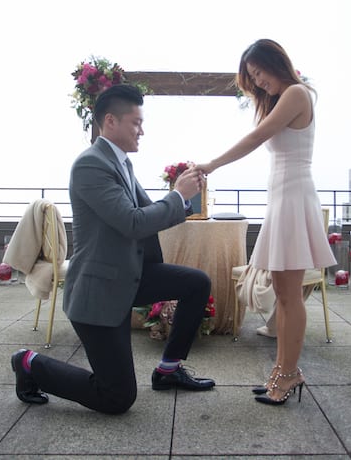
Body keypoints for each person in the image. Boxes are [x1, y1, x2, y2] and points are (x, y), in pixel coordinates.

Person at [11, 84, 215, 414]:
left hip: (128, 276)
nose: (142, 131)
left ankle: (168, 370)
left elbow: (150, 213)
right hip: (99, 291)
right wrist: (177, 196)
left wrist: (187, 195)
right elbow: (132, 223)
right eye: (136, 122)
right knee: (118, 397)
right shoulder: (90, 165)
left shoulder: (121, 163)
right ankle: (29, 363)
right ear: (110, 121)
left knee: (197, 283)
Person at [196, 39, 335, 406]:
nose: (258, 83)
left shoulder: (297, 93)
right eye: (252, 78)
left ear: (276, 63)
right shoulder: (285, 96)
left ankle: (289, 374)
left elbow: (257, 137)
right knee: (283, 294)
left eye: (258, 74)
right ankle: (283, 370)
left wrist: (211, 165)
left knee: (289, 296)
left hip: (292, 200)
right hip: (284, 200)